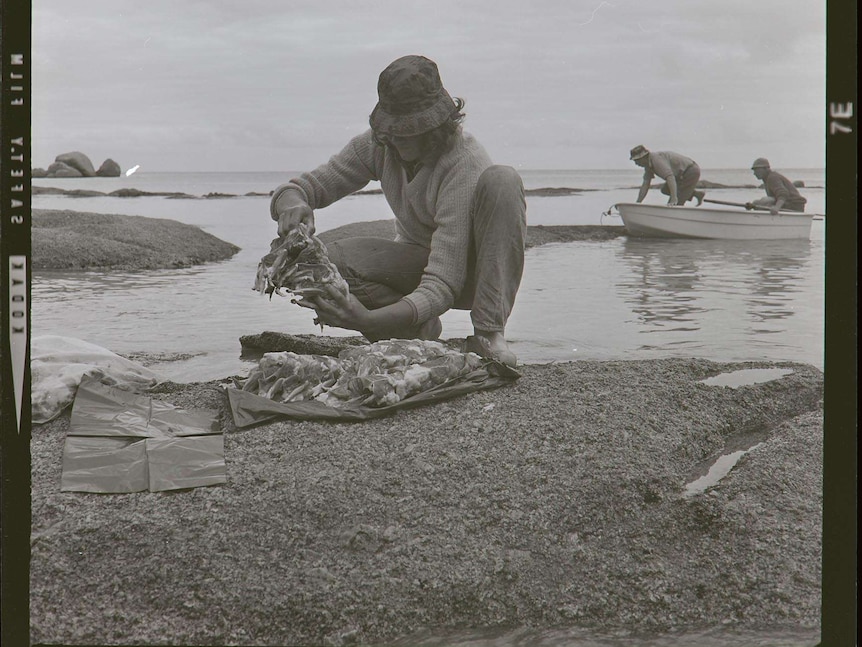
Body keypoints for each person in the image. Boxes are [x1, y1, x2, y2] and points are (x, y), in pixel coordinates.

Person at [269, 55, 526, 367]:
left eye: (409, 130)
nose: (396, 138)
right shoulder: (381, 145)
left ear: (436, 125)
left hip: (472, 276)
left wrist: (367, 320)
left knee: (503, 180)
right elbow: (303, 187)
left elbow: (444, 283)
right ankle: (414, 330)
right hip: (416, 265)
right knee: (323, 261)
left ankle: (488, 334)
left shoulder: (463, 163)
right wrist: (294, 205)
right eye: (393, 129)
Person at [630, 145, 705, 206]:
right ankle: (696, 194)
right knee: (665, 189)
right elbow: (645, 185)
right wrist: (638, 203)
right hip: (680, 175)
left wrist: (673, 198)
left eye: (637, 160)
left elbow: (670, 178)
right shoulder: (648, 166)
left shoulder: (656, 160)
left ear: (644, 157)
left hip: (690, 171)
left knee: (675, 203)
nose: (636, 164)